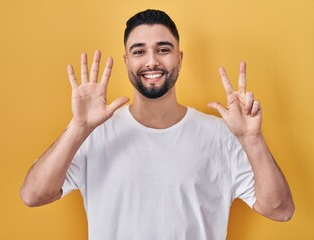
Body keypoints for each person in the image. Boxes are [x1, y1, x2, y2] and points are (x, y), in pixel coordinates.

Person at [20, 9, 294, 240]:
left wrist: (253, 141)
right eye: (139, 51)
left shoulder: (221, 135)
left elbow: (280, 210)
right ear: (127, 61)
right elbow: (33, 195)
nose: (152, 61)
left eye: (163, 49)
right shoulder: (93, 135)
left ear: (179, 58)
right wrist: (78, 129)